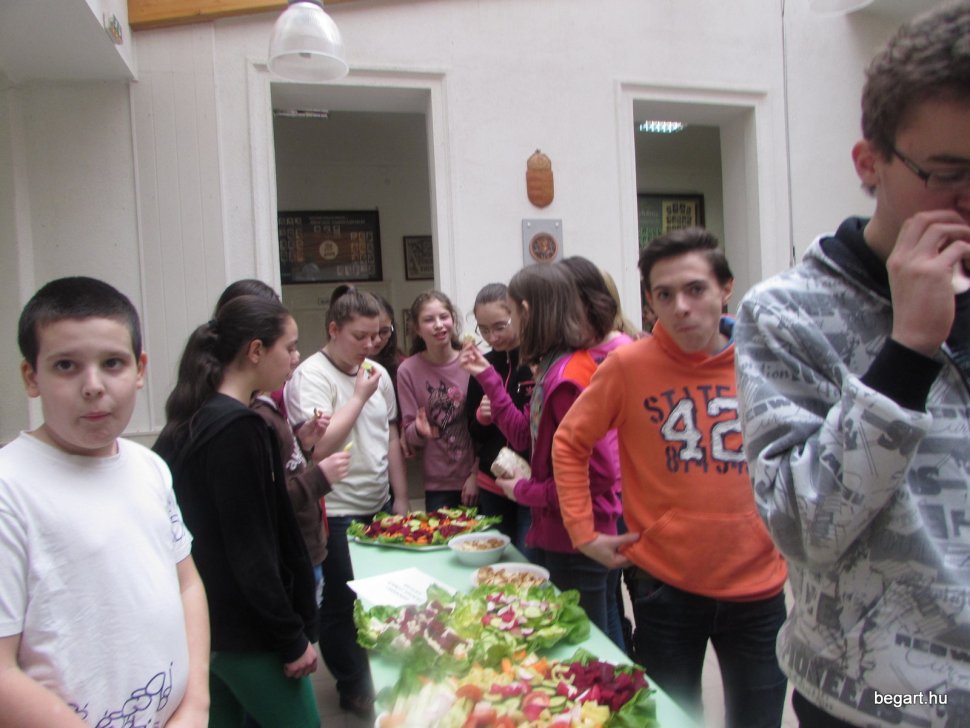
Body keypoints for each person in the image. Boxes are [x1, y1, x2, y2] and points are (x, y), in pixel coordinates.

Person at [734, 4, 970, 726]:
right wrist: (908, 351)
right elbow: (804, 527)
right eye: (948, 173)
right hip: (881, 699)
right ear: (870, 164)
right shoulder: (787, 313)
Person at [553, 228, 788, 728]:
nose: (680, 307)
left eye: (695, 289)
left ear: (726, 287)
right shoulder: (627, 366)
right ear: (649, 301)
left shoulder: (766, 362)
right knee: (670, 719)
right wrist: (583, 532)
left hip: (759, 586)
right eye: (664, 294)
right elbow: (570, 441)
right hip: (666, 585)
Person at [0, 276, 209, 727]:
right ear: (31, 377)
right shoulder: (9, 489)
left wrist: (196, 703)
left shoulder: (149, 468)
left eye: (112, 363)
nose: (93, 385)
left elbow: (187, 585)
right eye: (66, 366)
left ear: (139, 369)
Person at [154, 295, 319, 728]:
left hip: (207, 631)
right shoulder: (239, 428)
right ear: (256, 351)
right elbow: (253, 550)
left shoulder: (191, 418)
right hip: (247, 635)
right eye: (289, 346)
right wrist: (290, 637)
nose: (295, 357)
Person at [459, 263, 625, 646]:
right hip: (561, 529)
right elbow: (525, 435)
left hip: (577, 535)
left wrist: (525, 491)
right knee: (589, 635)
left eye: (511, 312)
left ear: (527, 312)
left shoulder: (567, 378)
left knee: (587, 643)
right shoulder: (551, 367)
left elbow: (597, 477)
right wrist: (487, 375)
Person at [284, 285, 409, 718]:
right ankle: (352, 685)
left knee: (378, 597)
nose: (371, 344)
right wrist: (357, 397)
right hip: (335, 510)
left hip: (378, 504)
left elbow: (390, 436)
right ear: (333, 329)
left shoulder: (377, 372)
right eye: (360, 336)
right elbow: (318, 448)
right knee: (341, 602)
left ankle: (375, 675)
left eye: (378, 335)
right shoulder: (312, 376)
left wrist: (401, 497)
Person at [464, 283, 535, 554]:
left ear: (518, 316)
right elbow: (473, 433)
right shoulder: (482, 364)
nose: (492, 337)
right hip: (491, 483)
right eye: (483, 329)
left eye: (500, 326)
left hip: (531, 481)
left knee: (526, 561)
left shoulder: (536, 362)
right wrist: (481, 419)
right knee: (496, 560)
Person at [398, 290, 477, 511]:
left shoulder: (473, 361)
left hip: (476, 479)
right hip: (438, 485)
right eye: (429, 320)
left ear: (453, 319)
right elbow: (410, 435)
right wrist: (419, 430)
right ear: (416, 328)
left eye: (444, 317)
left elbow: (486, 430)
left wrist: (476, 474)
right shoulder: (408, 370)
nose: (439, 325)